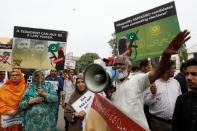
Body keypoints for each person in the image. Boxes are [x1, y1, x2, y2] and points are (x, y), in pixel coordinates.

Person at [105, 30, 190, 130]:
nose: (117, 67)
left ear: (129, 68)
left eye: (121, 64)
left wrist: (166, 56)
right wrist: (108, 96)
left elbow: (157, 72)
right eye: (115, 65)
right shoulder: (108, 85)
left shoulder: (137, 80)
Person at [144, 60, 181, 131]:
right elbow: (146, 102)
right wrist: (153, 94)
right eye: (173, 68)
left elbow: (180, 100)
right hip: (158, 123)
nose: (174, 70)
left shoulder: (176, 83)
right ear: (166, 69)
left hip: (175, 122)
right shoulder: (152, 83)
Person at [172, 57, 197, 131]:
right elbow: (176, 126)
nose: (188, 78)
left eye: (194, 74)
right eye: (187, 74)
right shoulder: (181, 100)